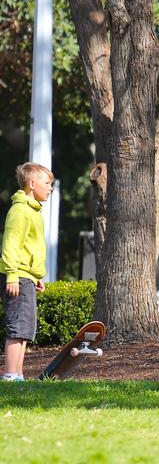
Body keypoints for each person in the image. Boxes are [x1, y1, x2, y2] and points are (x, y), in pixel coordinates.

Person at [1, 162, 54, 381]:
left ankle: (18, 375)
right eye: (47, 183)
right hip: (17, 276)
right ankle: (11, 375)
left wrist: (36, 276)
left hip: (26, 276)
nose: (50, 188)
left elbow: (29, 247)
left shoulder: (32, 211)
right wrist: (13, 275)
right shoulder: (21, 210)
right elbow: (11, 244)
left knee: (25, 329)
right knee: (17, 327)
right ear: (32, 184)